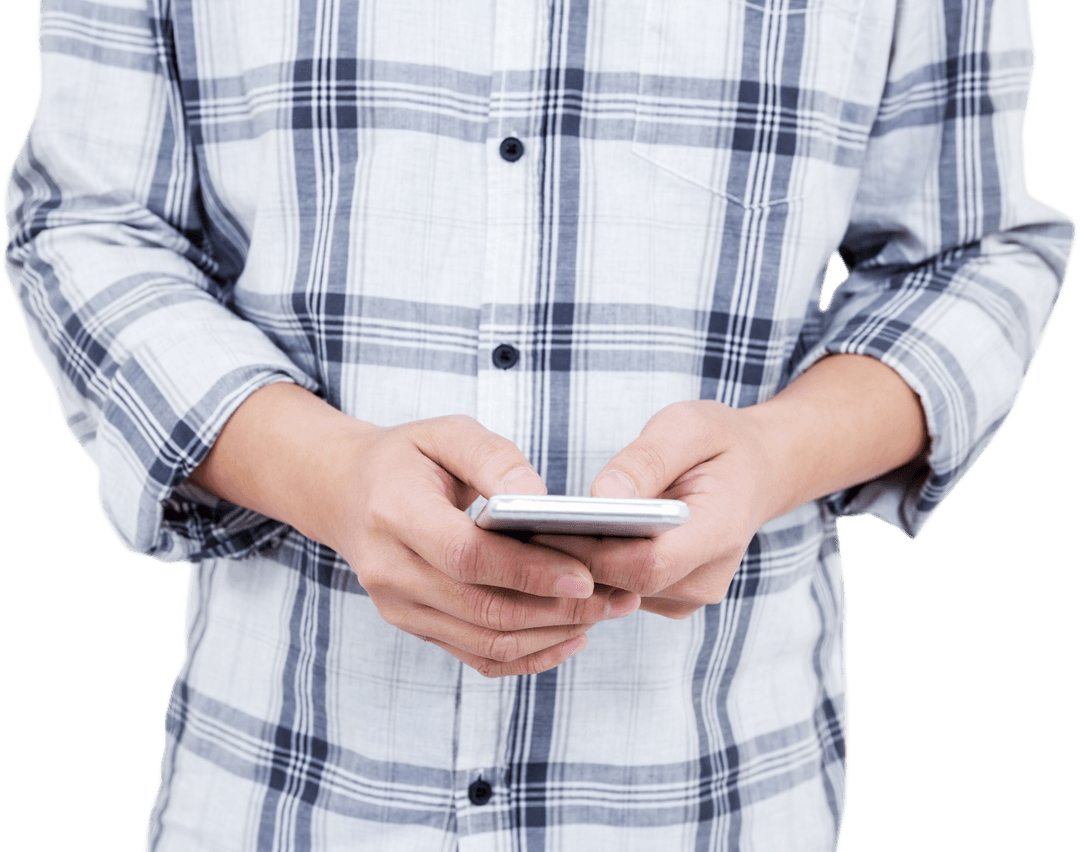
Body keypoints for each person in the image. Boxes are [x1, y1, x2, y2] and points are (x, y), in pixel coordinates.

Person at [3, 0, 1074, 849]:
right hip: (281, 789)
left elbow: (973, 251)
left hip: (716, 795)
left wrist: (771, 458)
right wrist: (329, 476)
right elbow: (86, 222)